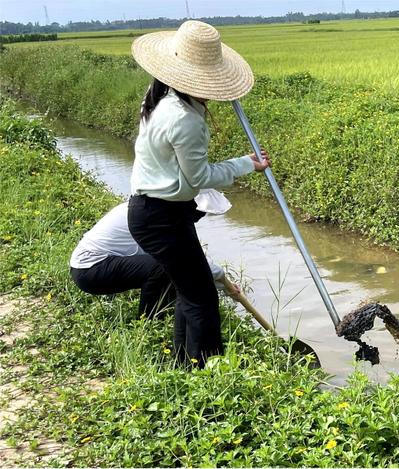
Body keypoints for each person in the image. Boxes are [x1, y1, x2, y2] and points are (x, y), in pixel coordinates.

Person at [127, 20, 270, 367]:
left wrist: (240, 163)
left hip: (160, 212)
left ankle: (183, 364)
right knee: (202, 297)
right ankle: (207, 374)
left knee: (191, 292)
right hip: (159, 217)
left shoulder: (160, 97)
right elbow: (198, 178)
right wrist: (244, 165)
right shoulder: (184, 119)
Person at [70, 190, 237, 319]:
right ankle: (151, 322)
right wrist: (226, 285)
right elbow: (190, 262)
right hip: (90, 270)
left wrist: (224, 284)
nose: (199, 216)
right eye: (199, 212)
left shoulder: (151, 207)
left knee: (174, 268)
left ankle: (165, 313)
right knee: (166, 267)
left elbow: (192, 256)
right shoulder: (156, 218)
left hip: (95, 267)